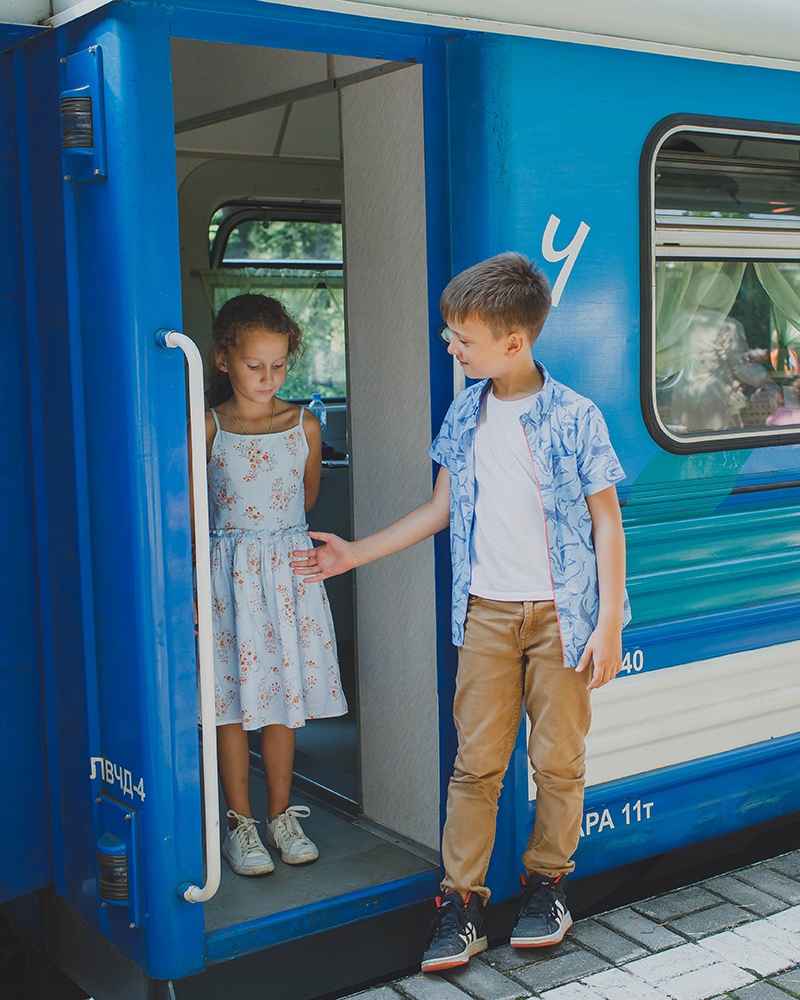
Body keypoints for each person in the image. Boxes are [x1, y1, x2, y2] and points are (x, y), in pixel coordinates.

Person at [290, 253, 629, 971]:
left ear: (515, 343)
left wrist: (608, 622)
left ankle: (548, 885)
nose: (451, 346)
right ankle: (462, 902)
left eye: (462, 339)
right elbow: (442, 509)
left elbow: (607, 522)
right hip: (486, 615)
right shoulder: (464, 412)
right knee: (476, 765)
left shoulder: (575, 416)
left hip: (563, 618)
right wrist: (356, 554)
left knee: (557, 761)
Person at [205, 293, 347, 877]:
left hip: (288, 575)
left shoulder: (303, 424)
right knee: (233, 702)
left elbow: (304, 499)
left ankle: (281, 815)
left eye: (279, 366)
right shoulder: (206, 424)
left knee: (284, 700)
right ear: (223, 361)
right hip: (228, 578)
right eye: (253, 365)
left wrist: (274, 546)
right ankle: (241, 823)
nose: (268, 378)